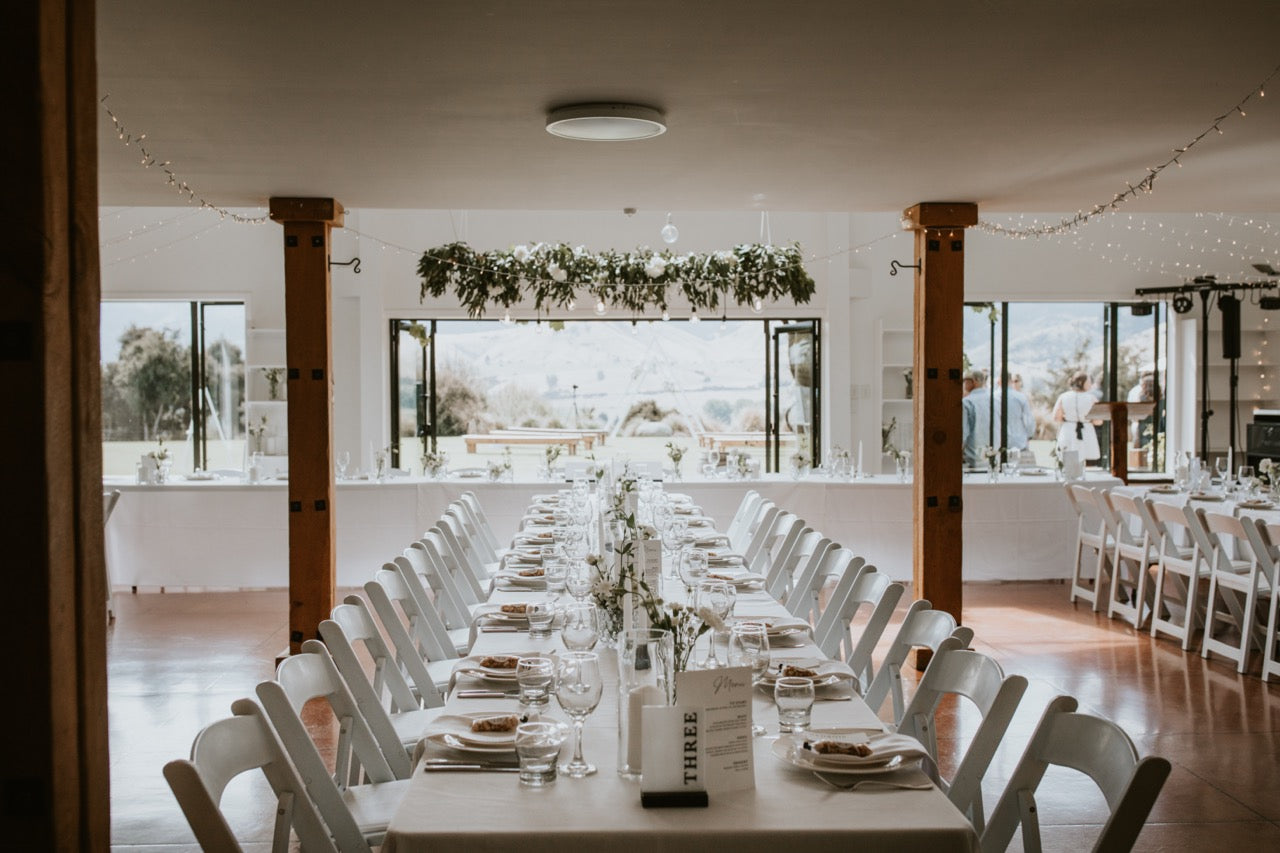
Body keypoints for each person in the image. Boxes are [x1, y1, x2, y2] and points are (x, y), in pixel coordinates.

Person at [1053, 370, 1102, 462]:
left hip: (1068, 428)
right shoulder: (1091, 398)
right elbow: (1099, 421)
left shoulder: (1063, 397)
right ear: (1082, 383)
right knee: (1084, 458)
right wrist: (1089, 420)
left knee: (1067, 457)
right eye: (1089, 382)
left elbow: (1056, 417)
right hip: (1086, 429)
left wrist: (1066, 418)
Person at [997, 373, 1036, 451]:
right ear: (1010, 381)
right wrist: (1030, 434)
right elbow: (1028, 420)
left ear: (998, 381)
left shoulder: (993, 397)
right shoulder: (1021, 397)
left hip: (998, 441)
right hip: (1018, 442)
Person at [961, 369, 992, 467]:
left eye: (964, 380)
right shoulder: (995, 400)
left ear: (973, 381)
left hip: (972, 460)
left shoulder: (967, 402)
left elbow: (963, 433)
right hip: (992, 457)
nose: (963, 383)